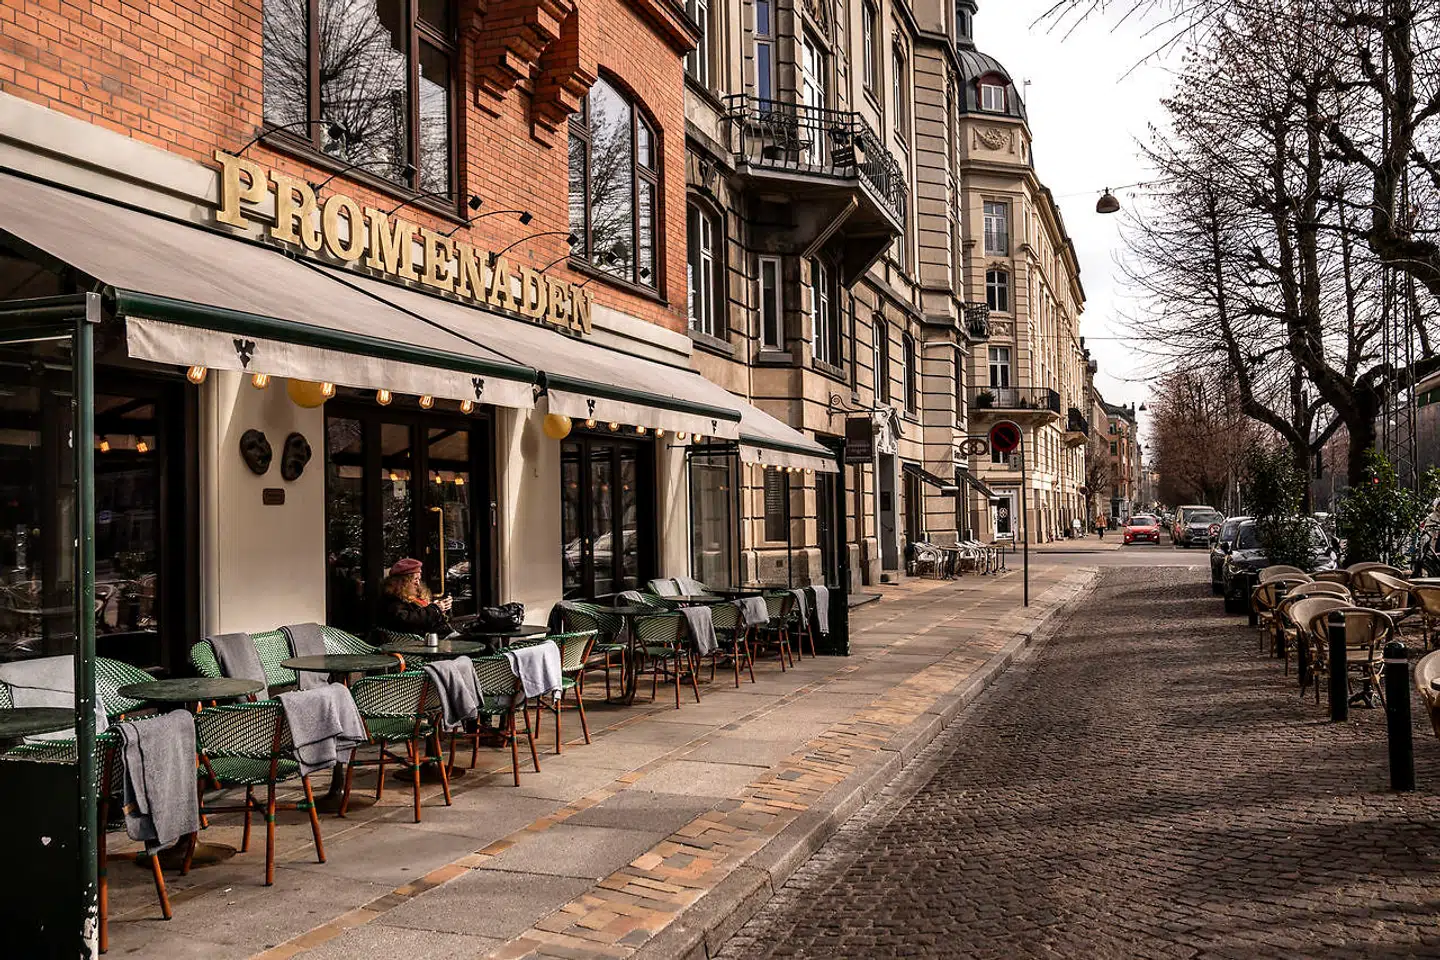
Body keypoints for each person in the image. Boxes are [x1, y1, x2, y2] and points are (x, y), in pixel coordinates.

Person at [377, 558, 452, 635]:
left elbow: (423, 615)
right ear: (402, 582)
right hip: (419, 639)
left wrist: (440, 609)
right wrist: (435, 609)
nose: (418, 583)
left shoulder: (415, 594)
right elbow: (408, 621)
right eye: (415, 579)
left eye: (419, 579)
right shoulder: (393, 599)